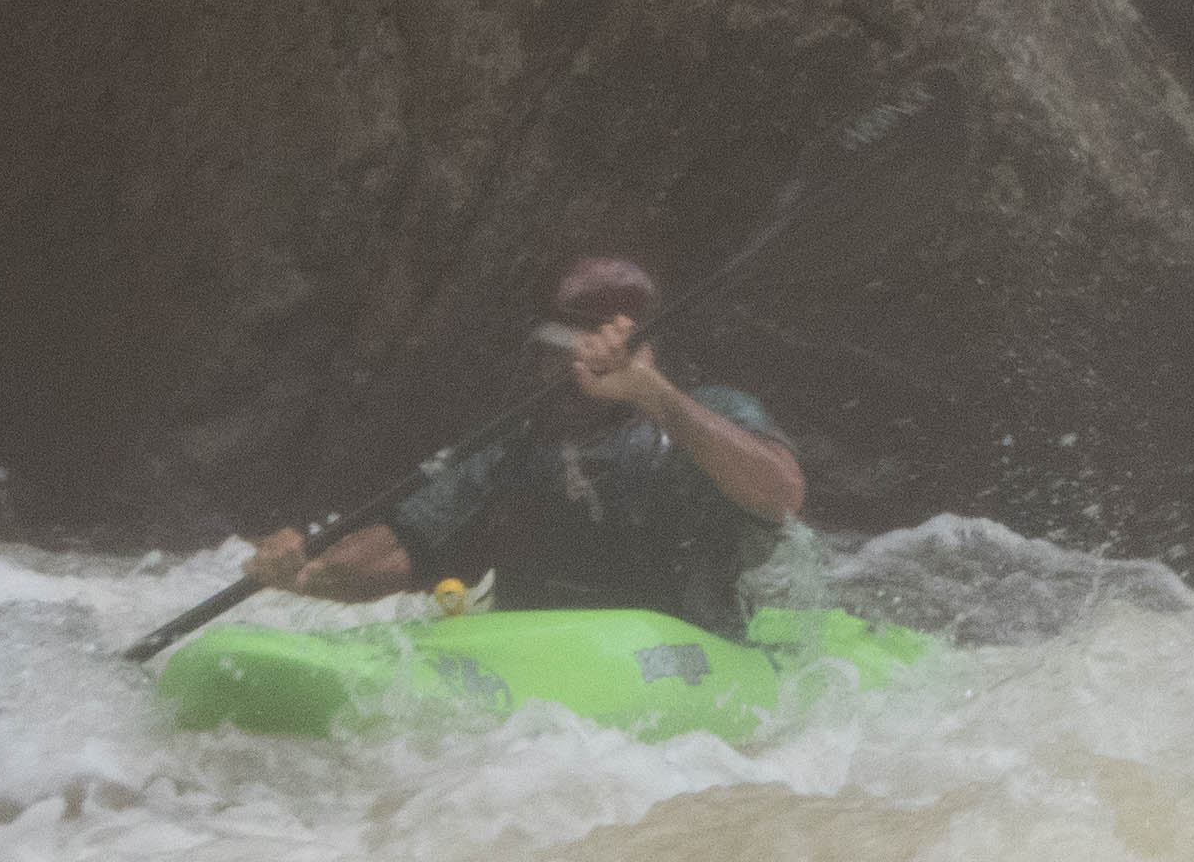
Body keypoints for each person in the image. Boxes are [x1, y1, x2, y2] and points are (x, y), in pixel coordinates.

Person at [231, 255, 806, 637]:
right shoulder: (510, 450)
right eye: (549, 351)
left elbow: (780, 494)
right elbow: (399, 554)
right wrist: (303, 570)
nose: (559, 370)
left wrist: (654, 396)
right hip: (538, 663)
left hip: (689, 649)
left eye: (577, 352)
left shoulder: (705, 414)